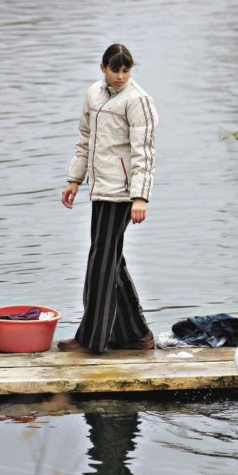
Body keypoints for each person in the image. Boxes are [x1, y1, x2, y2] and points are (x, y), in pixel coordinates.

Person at [57, 44, 159, 353]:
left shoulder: (138, 100)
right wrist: (74, 179)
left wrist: (140, 197)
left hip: (123, 194)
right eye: (115, 70)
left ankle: (92, 339)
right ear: (103, 67)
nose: (121, 76)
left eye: (126, 70)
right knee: (109, 258)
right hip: (99, 189)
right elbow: (84, 139)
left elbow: (145, 152)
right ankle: (136, 334)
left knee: (100, 262)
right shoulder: (93, 94)